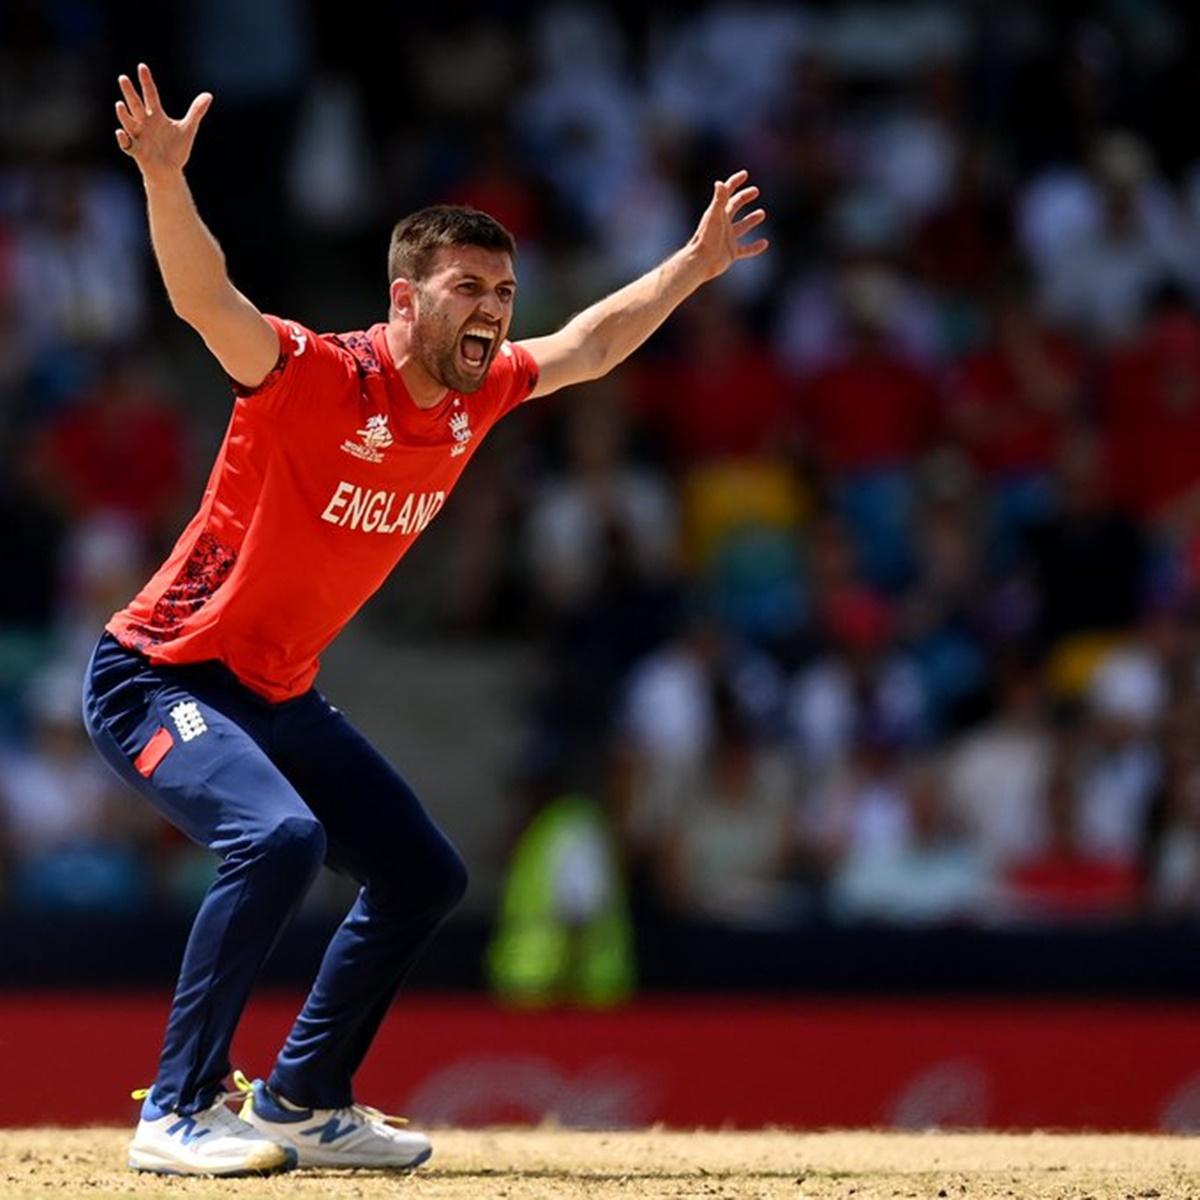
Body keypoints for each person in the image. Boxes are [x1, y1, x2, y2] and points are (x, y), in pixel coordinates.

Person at [81, 63, 767, 1178]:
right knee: (279, 840)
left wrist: (692, 267)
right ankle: (176, 1108)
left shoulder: (480, 394)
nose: (493, 314)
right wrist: (165, 180)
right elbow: (207, 302)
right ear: (405, 299)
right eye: (468, 291)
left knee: (424, 876)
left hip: (277, 691)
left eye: (502, 294)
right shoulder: (312, 375)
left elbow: (588, 346)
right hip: (159, 675)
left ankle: (303, 1097)